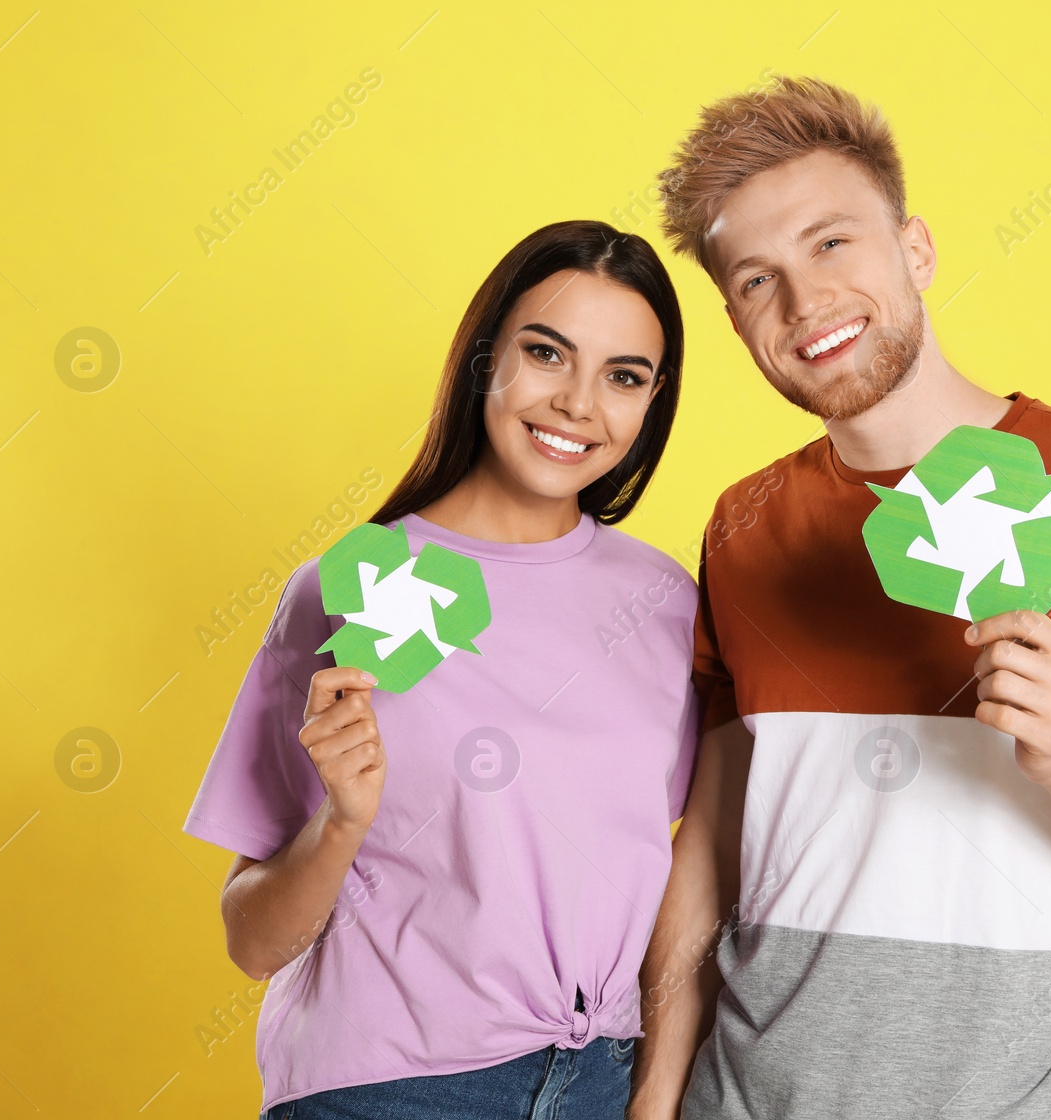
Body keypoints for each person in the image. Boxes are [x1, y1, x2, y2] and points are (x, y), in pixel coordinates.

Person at [626, 77, 1051, 1120]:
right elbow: (708, 845)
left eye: (832, 243)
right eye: (756, 280)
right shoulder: (744, 528)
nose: (804, 304)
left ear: (914, 250)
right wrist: (655, 1101)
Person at [182, 219, 699, 1119]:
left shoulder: (665, 602)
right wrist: (343, 820)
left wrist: (653, 1089)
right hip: (391, 1087)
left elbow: (688, 869)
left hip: (603, 1085)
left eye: (624, 377)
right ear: (485, 359)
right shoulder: (344, 592)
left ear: (652, 402)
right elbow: (252, 943)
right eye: (547, 353)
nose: (578, 403)